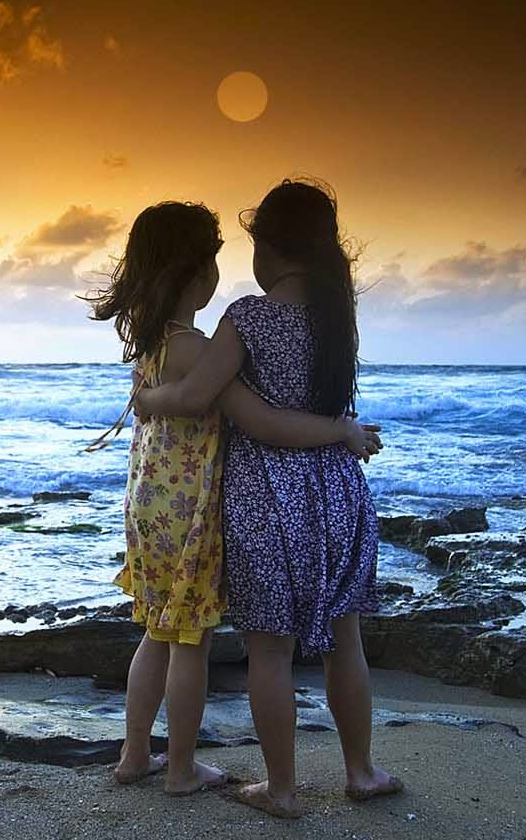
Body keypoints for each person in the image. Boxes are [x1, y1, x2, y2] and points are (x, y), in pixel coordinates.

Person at [85, 200, 383, 796]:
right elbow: (246, 409)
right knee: (343, 640)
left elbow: (223, 406)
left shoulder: (230, 324)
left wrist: (148, 400)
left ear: (269, 248)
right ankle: (358, 772)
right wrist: (344, 432)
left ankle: (265, 786)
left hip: (230, 502)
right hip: (326, 493)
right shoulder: (335, 319)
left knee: (235, 645)